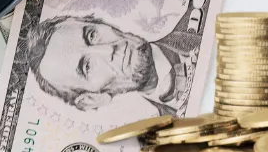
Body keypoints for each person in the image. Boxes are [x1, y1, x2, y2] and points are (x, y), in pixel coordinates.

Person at [24, 14, 199, 113]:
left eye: (92, 35)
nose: (109, 50)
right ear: (92, 99)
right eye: (87, 67)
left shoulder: (202, 17)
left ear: (104, 23)